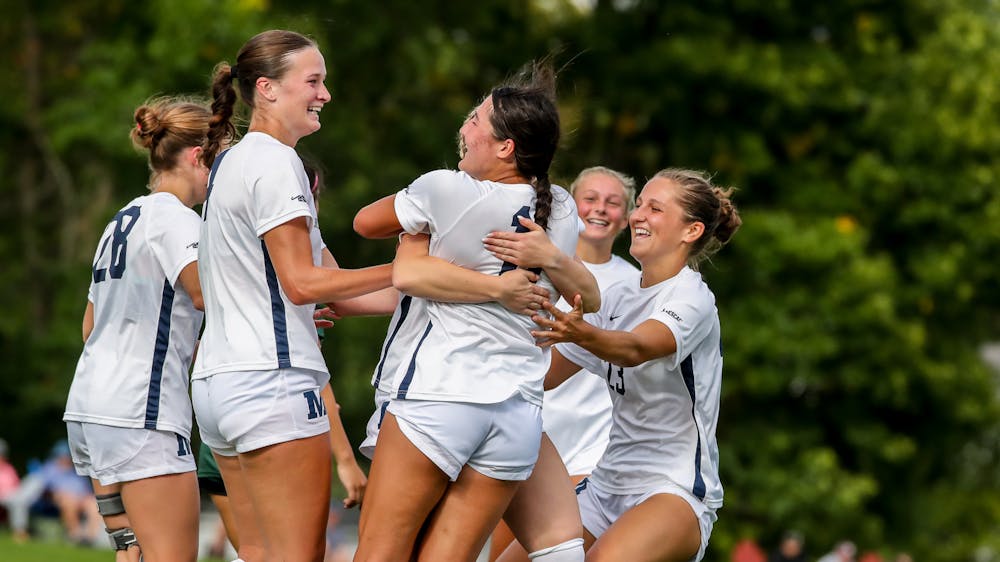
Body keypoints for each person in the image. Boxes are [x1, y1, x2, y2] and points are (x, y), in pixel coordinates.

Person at [351, 60, 600, 562]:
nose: (463, 128)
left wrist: (417, 228)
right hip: (515, 414)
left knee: (380, 552)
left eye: (475, 121)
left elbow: (364, 223)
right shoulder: (565, 209)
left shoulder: (447, 189)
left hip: (440, 395)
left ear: (506, 147)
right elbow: (590, 297)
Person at [193, 29, 393, 562]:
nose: (325, 93)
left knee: (258, 554)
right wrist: (406, 267)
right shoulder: (276, 162)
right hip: (270, 382)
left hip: (220, 386)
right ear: (267, 89)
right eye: (314, 81)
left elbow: (341, 291)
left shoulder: (233, 161)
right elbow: (303, 283)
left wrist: (448, 289)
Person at [515, 168, 741, 562]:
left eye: (655, 208)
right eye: (639, 206)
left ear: (691, 231)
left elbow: (636, 347)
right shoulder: (618, 296)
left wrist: (579, 331)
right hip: (607, 484)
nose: (638, 216)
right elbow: (544, 377)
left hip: (673, 490)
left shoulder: (693, 297)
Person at [61, 96, 215, 562]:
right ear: (196, 156)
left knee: (133, 555)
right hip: (140, 412)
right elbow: (204, 293)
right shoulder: (176, 218)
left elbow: (89, 326)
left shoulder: (121, 219)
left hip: (91, 407)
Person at [486, 166, 639, 561]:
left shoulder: (635, 284)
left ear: (626, 217)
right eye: (590, 199)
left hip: (593, 448)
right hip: (527, 432)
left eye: (613, 202)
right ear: (571, 204)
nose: (600, 209)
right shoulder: (533, 267)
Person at [2, 440, 102, 545]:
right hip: (54, 501)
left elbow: (87, 491)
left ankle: (90, 538)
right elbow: (41, 488)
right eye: (62, 457)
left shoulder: (76, 473)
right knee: (69, 500)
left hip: (81, 499)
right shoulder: (49, 469)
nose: (65, 460)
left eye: (67, 457)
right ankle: (75, 536)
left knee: (93, 503)